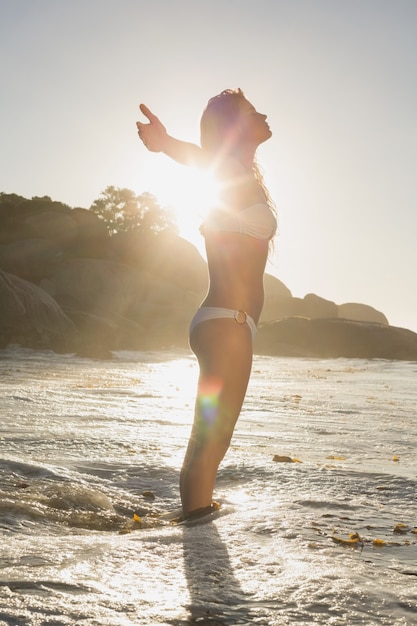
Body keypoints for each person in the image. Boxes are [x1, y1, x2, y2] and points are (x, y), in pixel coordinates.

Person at [136, 89, 277, 521]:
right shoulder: (228, 168)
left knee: (209, 438)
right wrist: (166, 145)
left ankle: (194, 522)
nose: (265, 114)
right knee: (212, 439)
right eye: (253, 112)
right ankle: (196, 532)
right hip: (226, 323)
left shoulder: (243, 177)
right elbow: (202, 158)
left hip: (228, 324)